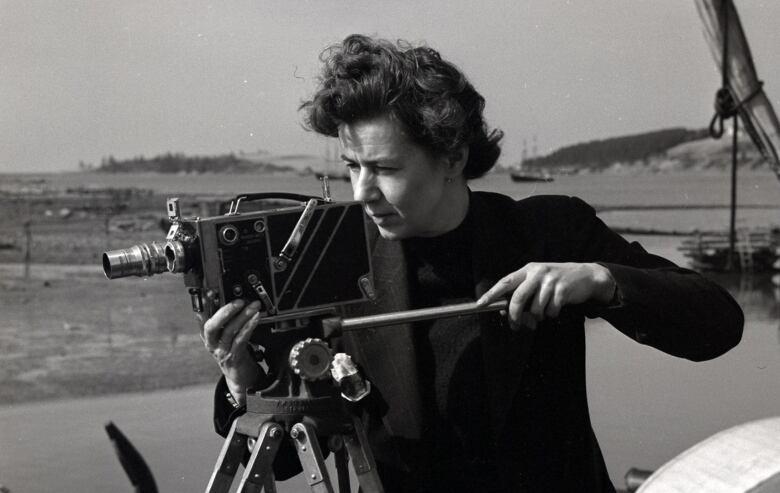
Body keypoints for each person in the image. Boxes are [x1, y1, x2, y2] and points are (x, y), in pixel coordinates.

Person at [201, 34, 744, 492]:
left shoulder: (549, 230)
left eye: (384, 168)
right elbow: (288, 458)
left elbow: (718, 326)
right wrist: (242, 379)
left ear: (453, 157)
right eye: (351, 167)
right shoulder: (332, 263)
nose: (362, 192)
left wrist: (601, 281)